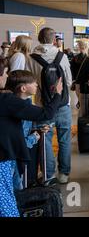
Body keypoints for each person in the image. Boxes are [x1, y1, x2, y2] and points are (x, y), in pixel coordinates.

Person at [0, 59, 63, 217]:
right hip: (3, 158)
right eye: (4, 74)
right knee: (7, 200)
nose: (6, 77)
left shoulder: (7, 101)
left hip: (8, 157)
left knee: (12, 194)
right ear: (23, 88)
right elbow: (46, 114)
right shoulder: (8, 101)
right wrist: (57, 94)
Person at [26, 27, 73, 184]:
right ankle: (64, 173)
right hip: (63, 104)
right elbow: (68, 80)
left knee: (45, 139)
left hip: (42, 105)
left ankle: (49, 174)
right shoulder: (62, 56)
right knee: (64, 139)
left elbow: (29, 82)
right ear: (54, 40)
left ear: (39, 39)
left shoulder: (32, 58)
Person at [5, 70, 42, 191]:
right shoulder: (20, 109)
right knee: (15, 191)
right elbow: (18, 141)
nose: (36, 84)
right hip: (12, 159)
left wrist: (36, 129)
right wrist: (34, 138)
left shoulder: (22, 104)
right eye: (33, 82)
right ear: (23, 88)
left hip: (14, 158)